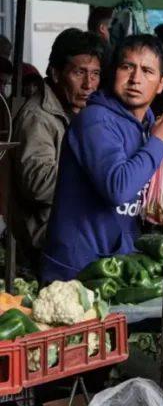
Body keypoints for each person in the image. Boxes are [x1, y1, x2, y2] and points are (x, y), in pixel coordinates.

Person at [41, 35, 163, 282]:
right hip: (78, 271)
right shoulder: (95, 120)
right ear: (114, 73)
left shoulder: (150, 125)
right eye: (128, 67)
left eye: (147, 71)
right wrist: (157, 144)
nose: (136, 79)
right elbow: (117, 188)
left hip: (117, 265)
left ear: (161, 83)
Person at [11, 29, 105, 264]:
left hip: (72, 221)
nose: (88, 84)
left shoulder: (80, 111)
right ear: (55, 73)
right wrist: (99, 177)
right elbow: (38, 184)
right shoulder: (38, 118)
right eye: (79, 73)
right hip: (47, 232)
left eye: (95, 74)